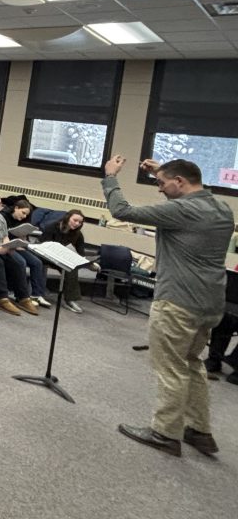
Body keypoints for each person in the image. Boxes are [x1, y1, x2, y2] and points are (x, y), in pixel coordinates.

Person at [104, 156, 234, 457]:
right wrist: (160, 170)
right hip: (210, 302)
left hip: (178, 301)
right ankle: (200, 430)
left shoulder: (182, 209)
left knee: (171, 368)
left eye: (162, 184)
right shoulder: (221, 208)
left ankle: (165, 432)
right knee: (192, 363)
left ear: (179, 182)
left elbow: (121, 210)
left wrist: (110, 177)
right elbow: (185, 180)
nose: (159, 189)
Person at [40, 209, 89, 313]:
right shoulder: (52, 227)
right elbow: (43, 245)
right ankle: (38, 293)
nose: (77, 224)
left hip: (62, 259)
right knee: (39, 262)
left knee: (72, 267)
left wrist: (89, 263)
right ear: (67, 218)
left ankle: (70, 300)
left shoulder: (78, 234)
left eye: (80, 222)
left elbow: (81, 253)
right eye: (75, 220)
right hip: (46, 255)